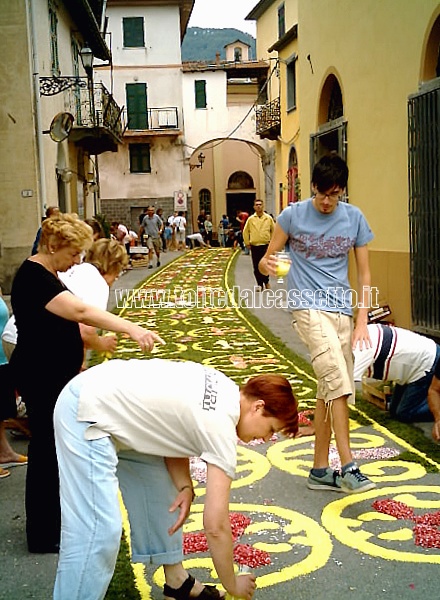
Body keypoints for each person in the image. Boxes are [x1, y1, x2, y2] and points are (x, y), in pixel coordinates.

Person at [53, 358, 298, 600]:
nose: (266, 439)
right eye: (271, 429)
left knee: (163, 488)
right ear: (258, 407)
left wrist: (185, 485)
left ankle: (177, 581)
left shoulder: (225, 388)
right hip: (86, 413)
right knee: (99, 530)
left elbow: (172, 432)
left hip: (98, 393)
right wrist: (232, 584)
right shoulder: (221, 426)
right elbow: (216, 526)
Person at [9, 212, 164, 553]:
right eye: (73, 253)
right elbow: (79, 313)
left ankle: (55, 523)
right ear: (52, 245)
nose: (77, 261)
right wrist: (131, 328)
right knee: (48, 450)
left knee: (56, 449)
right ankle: (43, 533)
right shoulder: (34, 276)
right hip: (41, 373)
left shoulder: (48, 273)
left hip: (53, 372)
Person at [259, 153, 376, 494]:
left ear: (342, 192)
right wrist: (271, 266)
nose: (327, 202)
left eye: (334, 195)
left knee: (328, 389)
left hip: (341, 311)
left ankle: (320, 470)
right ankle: (349, 465)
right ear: (312, 187)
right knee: (338, 381)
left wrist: (361, 319)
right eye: (322, 194)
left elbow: (365, 273)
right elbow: (269, 257)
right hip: (306, 309)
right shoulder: (292, 216)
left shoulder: (354, 219)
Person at [59, 238, 129, 367]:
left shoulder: (77, 270)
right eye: (118, 272)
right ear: (113, 266)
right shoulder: (97, 283)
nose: (116, 278)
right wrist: (102, 344)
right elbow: (85, 331)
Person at [354, 323, 440, 423]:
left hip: (427, 364)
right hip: (412, 368)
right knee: (394, 411)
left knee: (404, 414)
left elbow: (343, 391)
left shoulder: (358, 352)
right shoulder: (359, 334)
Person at [243, 199, 274, 291]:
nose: (258, 206)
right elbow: (245, 231)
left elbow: (273, 230)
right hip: (255, 245)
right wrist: (247, 242)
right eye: (256, 205)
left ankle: (266, 281)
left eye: (260, 204)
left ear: (263, 206)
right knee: (256, 266)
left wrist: (272, 242)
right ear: (254, 207)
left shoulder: (268, 218)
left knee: (265, 265)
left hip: (266, 245)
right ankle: (259, 284)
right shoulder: (251, 219)